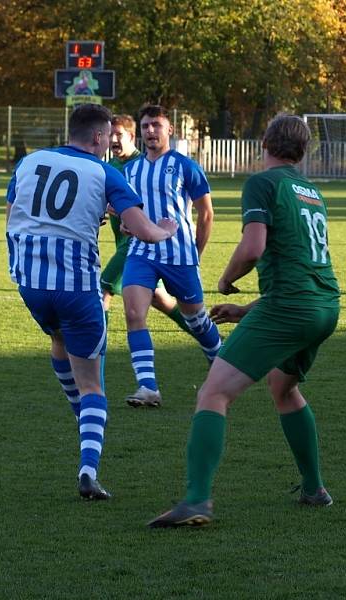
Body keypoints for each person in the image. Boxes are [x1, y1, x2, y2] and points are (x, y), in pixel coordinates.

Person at [148, 113, 341, 528]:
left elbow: (253, 248)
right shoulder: (311, 191)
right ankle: (314, 489)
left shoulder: (262, 182)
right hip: (324, 306)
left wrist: (225, 279)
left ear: (264, 142)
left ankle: (197, 500)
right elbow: (302, 270)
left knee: (213, 393)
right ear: (303, 150)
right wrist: (249, 310)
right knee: (282, 387)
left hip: (290, 307)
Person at [6, 104, 178, 500]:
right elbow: (142, 231)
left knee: (59, 341)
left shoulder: (31, 161)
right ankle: (88, 470)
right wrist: (166, 230)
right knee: (92, 386)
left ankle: (83, 419)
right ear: (99, 137)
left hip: (31, 285)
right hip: (79, 289)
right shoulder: (105, 172)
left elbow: (15, 214)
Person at [120, 105, 221, 408]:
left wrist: (195, 252)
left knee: (196, 320)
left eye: (156, 126)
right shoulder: (131, 170)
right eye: (146, 126)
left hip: (179, 256)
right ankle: (148, 387)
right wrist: (127, 224)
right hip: (141, 252)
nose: (151, 131)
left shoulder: (186, 166)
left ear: (169, 130)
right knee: (134, 314)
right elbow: (128, 214)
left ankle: (221, 359)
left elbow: (206, 215)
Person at [100, 114, 194, 339]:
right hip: (124, 242)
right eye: (109, 134)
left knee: (102, 290)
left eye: (119, 134)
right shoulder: (110, 166)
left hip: (136, 244)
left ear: (132, 136)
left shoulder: (141, 166)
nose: (113, 139)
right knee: (158, 298)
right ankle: (210, 339)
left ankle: (96, 353)